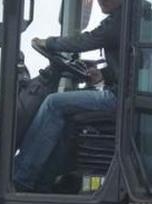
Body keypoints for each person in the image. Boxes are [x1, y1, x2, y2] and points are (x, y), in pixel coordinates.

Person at [14, 0, 124, 192]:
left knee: (53, 104)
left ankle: (22, 177)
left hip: (120, 98)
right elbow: (133, 66)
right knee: (68, 118)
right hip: (124, 93)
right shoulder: (134, 17)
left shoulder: (122, 18)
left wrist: (49, 43)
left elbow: (86, 40)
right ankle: (45, 182)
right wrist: (103, 75)